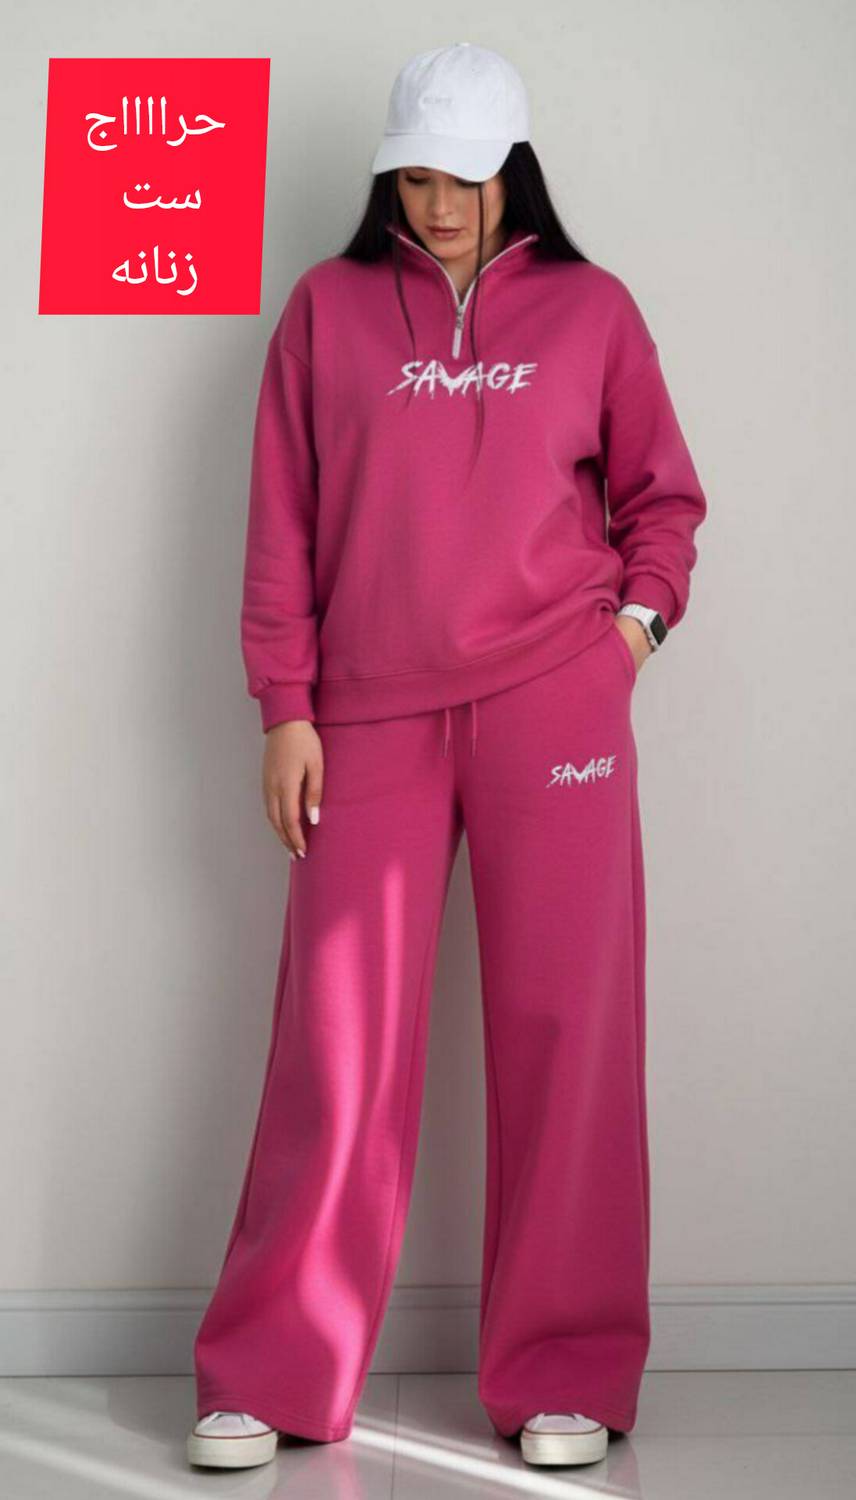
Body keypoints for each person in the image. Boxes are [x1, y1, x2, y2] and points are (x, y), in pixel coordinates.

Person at [187, 41, 707, 1473]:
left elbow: (664, 501)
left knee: (567, 1035)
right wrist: (284, 706)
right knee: (338, 1045)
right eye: (414, 177)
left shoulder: (594, 311)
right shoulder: (326, 310)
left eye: (464, 179)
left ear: (512, 172)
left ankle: (566, 1372)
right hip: (366, 716)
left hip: (556, 706)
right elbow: (282, 522)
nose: (437, 205)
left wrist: (628, 641)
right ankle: (273, 1370)